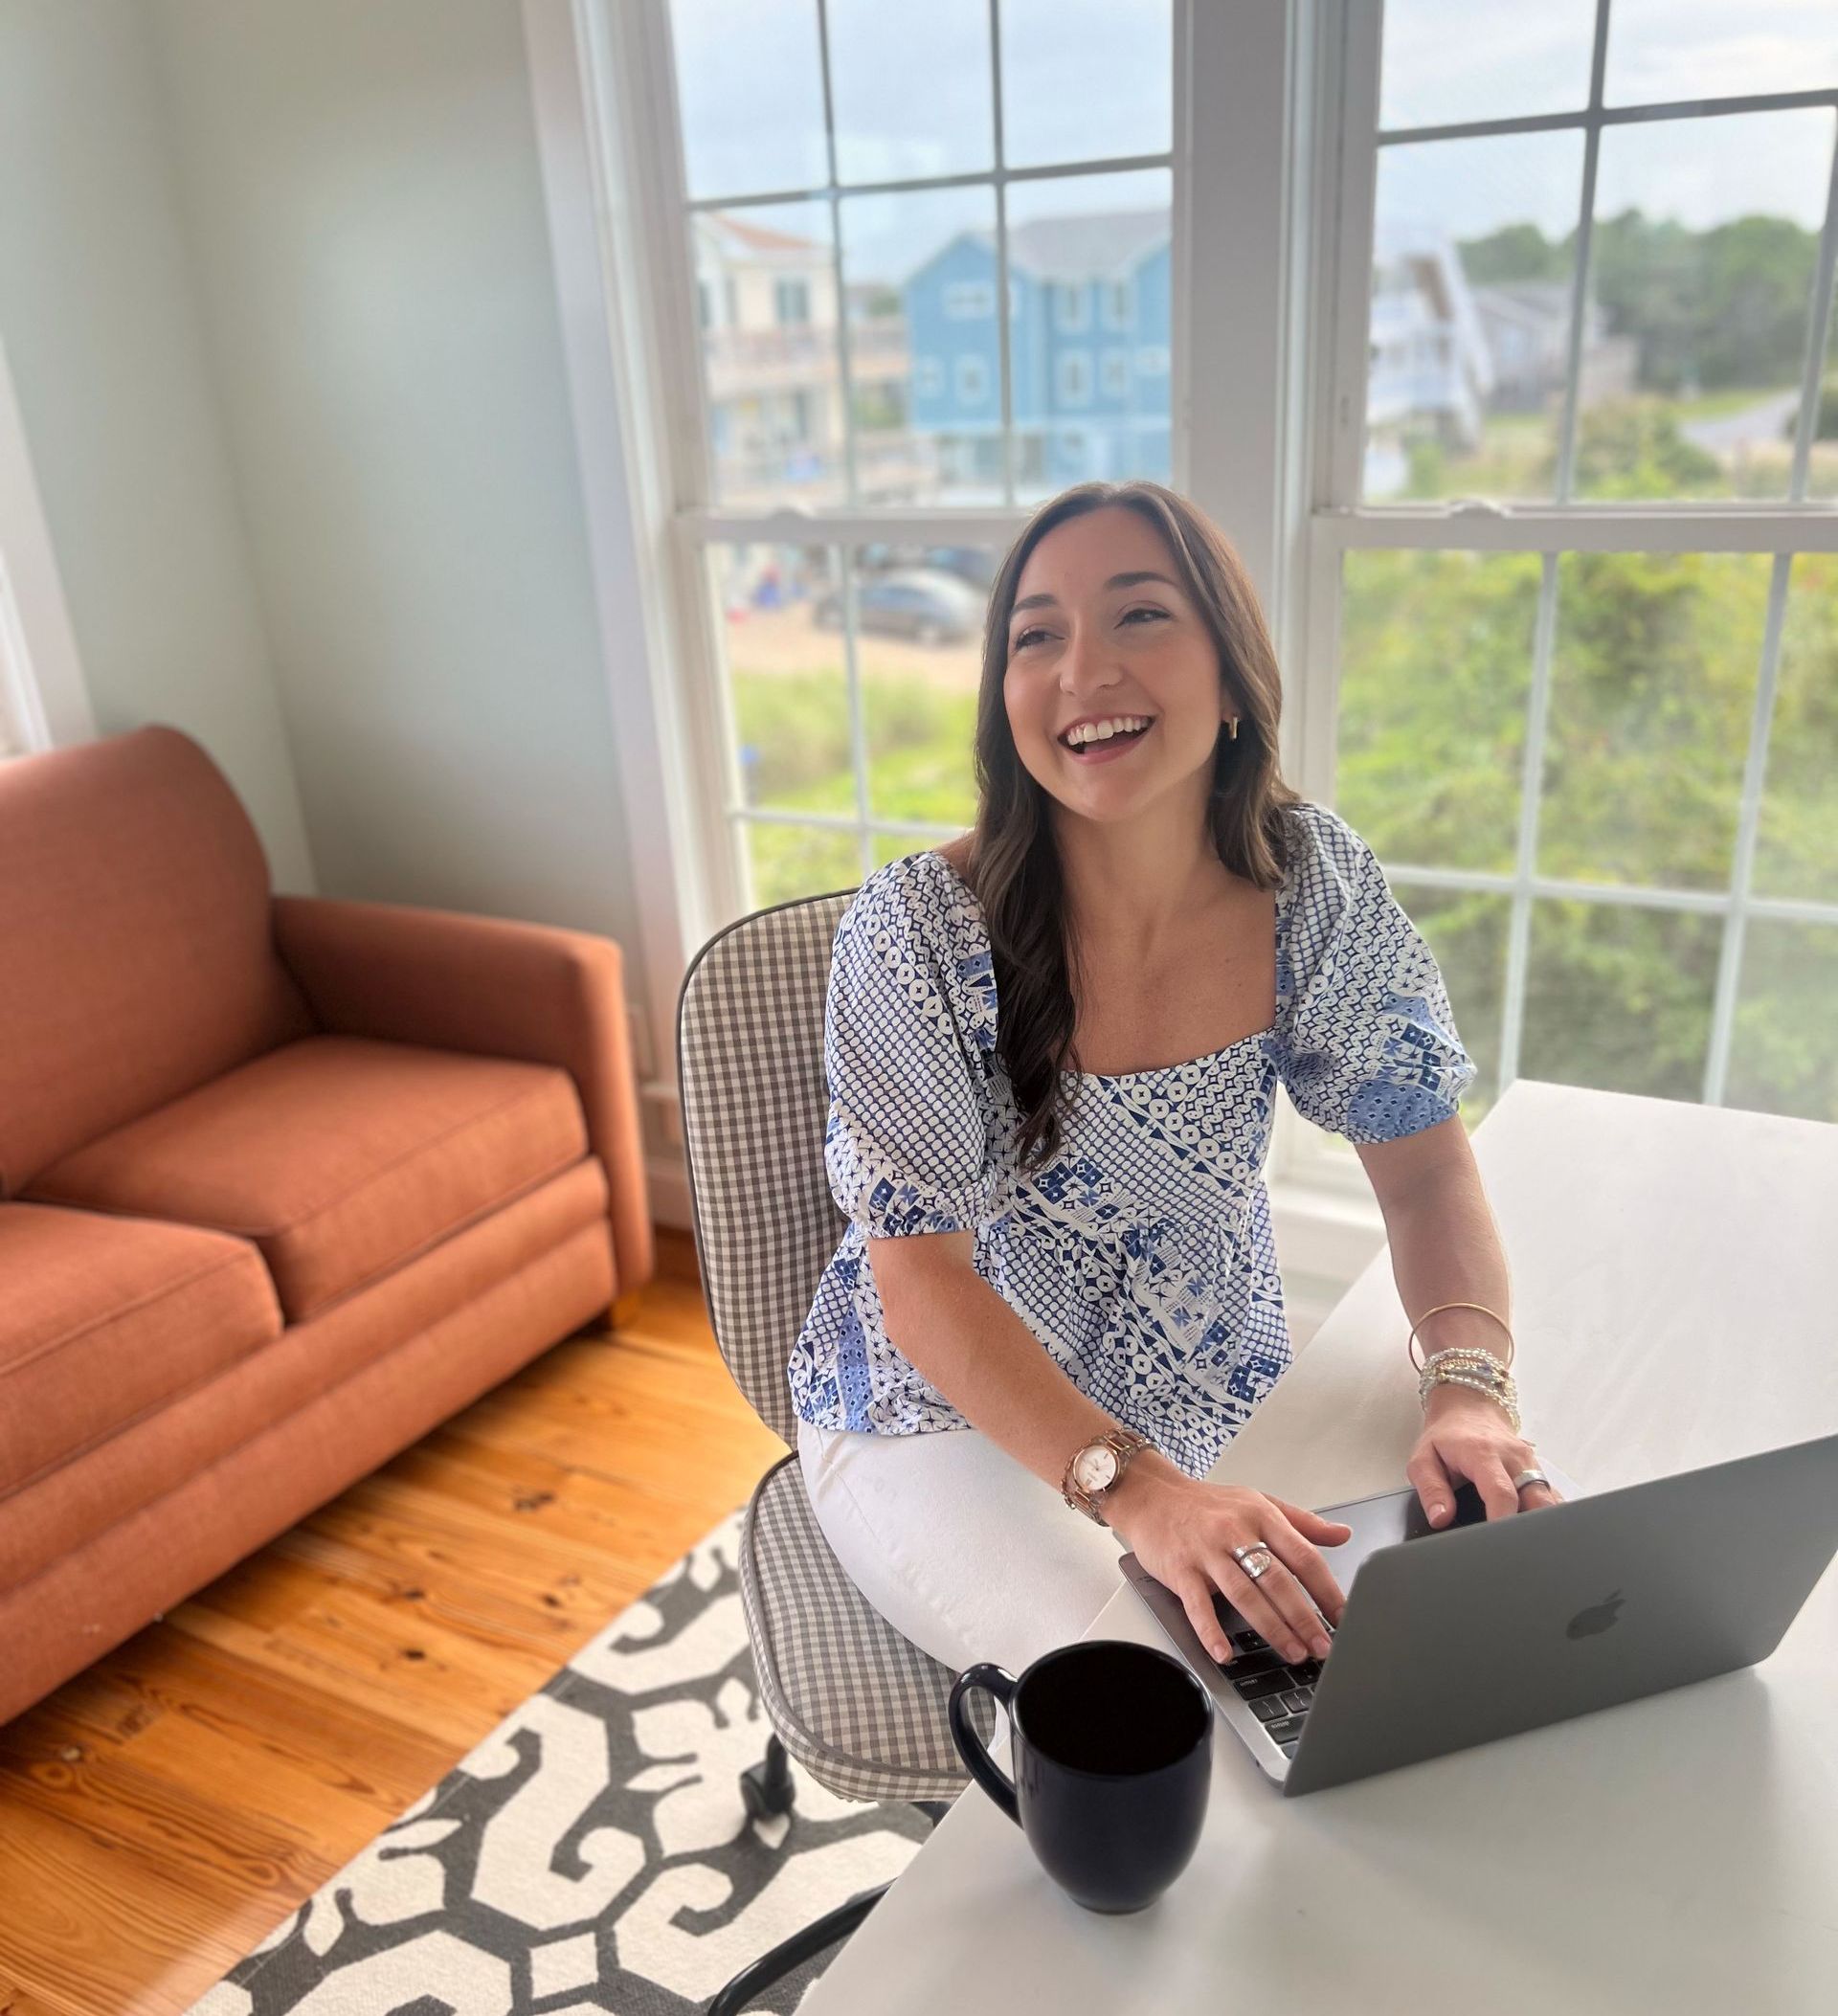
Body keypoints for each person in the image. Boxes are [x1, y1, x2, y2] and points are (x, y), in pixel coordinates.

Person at [786, 479, 1558, 1684]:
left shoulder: (1313, 884)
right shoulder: (915, 933)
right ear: (1006, 699)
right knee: (1184, 1694)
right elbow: (920, 1288)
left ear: (1233, 673)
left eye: (1139, 615)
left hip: (1218, 1379)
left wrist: (1468, 1389)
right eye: (1036, 635)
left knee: (1436, 1626)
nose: (1081, 670)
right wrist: (1137, 1491)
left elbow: (1424, 1172)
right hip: (945, 1418)